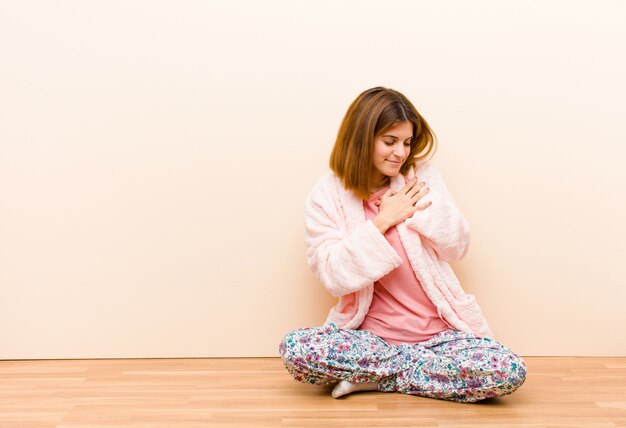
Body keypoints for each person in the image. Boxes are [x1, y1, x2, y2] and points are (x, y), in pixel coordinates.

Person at [278, 87, 526, 403]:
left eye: (407, 142)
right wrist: (383, 221)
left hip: (439, 340)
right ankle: (407, 372)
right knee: (296, 349)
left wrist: (420, 211)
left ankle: (375, 376)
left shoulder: (419, 176)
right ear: (361, 139)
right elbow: (333, 275)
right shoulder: (328, 194)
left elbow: (458, 245)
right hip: (369, 342)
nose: (401, 153)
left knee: (507, 370)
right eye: (390, 142)